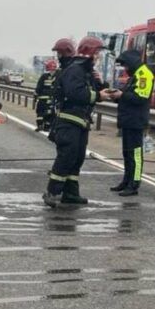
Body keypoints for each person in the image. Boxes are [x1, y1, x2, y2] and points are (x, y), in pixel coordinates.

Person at [43, 36, 111, 207]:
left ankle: (71, 193)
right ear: (90, 52)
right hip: (69, 122)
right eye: (97, 53)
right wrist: (98, 96)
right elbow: (75, 93)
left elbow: (92, 91)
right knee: (66, 157)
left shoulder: (85, 71)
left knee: (77, 158)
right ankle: (52, 192)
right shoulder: (75, 70)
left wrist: (102, 85)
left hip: (81, 122)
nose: (99, 56)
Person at [108, 49, 153, 196]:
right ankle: (126, 181)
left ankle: (134, 185)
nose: (125, 69)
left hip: (136, 121)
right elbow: (130, 95)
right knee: (127, 153)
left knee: (136, 155)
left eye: (126, 65)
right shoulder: (134, 76)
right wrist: (117, 95)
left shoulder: (144, 74)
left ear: (132, 62)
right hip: (128, 121)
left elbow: (140, 97)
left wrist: (122, 95)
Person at [34, 59, 58, 131]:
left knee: (40, 112)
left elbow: (39, 87)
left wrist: (35, 96)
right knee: (51, 113)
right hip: (52, 100)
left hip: (43, 100)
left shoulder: (44, 76)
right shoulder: (58, 76)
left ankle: (40, 125)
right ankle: (47, 126)